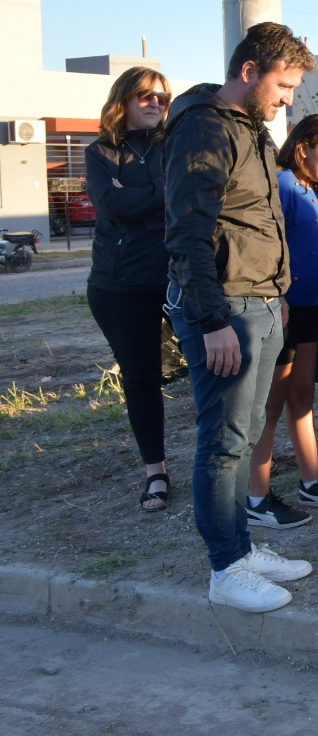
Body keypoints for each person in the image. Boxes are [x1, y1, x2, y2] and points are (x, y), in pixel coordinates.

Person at [164, 22, 316, 613]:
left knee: (245, 434)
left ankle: (242, 547)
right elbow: (188, 233)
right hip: (225, 309)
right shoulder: (204, 127)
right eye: (283, 84)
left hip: (260, 302)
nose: (289, 99)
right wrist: (211, 320)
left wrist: (276, 292)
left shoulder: (251, 129)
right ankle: (225, 569)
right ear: (249, 72)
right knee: (222, 441)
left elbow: (257, 218)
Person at [245, 114, 318, 529]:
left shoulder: (316, 189)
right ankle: (256, 496)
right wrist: (279, 298)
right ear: (303, 146)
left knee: (302, 396)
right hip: (285, 310)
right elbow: (271, 246)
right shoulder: (284, 184)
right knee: (269, 406)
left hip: (313, 309)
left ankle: (310, 481)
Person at [85, 66, 174, 512]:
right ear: (124, 100)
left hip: (177, 280)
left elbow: (176, 197)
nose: (156, 102)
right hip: (119, 286)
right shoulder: (99, 152)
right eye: (146, 96)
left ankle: (232, 469)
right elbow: (112, 205)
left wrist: (140, 197)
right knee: (142, 380)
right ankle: (155, 474)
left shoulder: (173, 145)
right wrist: (158, 193)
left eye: (162, 96)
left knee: (214, 370)